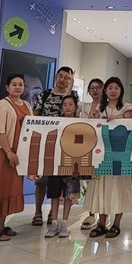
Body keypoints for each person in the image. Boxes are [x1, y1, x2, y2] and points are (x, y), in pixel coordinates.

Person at [0, 74, 33, 241]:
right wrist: (9, 151)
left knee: (10, 189)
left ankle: (2, 226)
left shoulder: (27, 105)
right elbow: (0, 131)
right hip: (3, 154)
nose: (18, 87)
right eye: (14, 84)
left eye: (20, 84)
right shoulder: (2, 105)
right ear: (7, 87)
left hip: (18, 156)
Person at [85, 77, 132, 239]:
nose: (113, 91)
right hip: (101, 156)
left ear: (121, 90)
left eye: (116, 88)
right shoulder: (99, 108)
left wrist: (117, 122)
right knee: (101, 188)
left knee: (119, 187)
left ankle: (116, 224)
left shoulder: (127, 107)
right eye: (110, 88)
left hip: (120, 156)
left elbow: (129, 128)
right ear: (105, 91)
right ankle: (101, 223)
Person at [31, 66, 78, 226]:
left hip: (65, 145)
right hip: (46, 144)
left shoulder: (73, 96)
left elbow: (75, 116)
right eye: (61, 76)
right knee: (41, 181)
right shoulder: (44, 95)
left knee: (60, 181)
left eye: (67, 78)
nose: (63, 79)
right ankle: (38, 212)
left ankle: (54, 213)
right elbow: (35, 116)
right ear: (56, 76)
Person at [45, 95, 79, 238]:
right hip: (56, 163)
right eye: (65, 105)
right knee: (54, 194)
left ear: (76, 107)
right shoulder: (56, 123)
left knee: (69, 195)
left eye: (71, 104)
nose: (67, 107)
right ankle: (54, 223)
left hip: (72, 164)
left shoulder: (80, 123)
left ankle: (64, 223)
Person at [78, 78, 104, 231]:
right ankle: (91, 214)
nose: (95, 90)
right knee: (89, 182)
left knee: (101, 182)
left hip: (102, 148)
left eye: (98, 87)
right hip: (86, 148)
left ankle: (103, 214)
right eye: (92, 88)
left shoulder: (107, 107)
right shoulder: (84, 106)